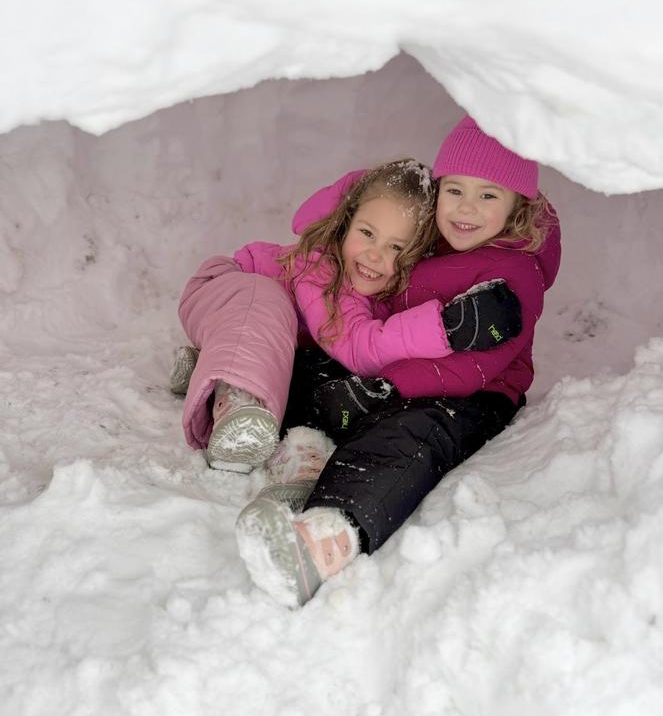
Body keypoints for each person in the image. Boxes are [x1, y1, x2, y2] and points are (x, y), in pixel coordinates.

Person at [235, 115, 562, 608]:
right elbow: (338, 222)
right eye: (454, 190)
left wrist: (387, 388)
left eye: (489, 195)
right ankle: (306, 452)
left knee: (407, 440)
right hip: (393, 366)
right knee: (309, 370)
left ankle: (326, 537)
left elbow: (474, 366)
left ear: (519, 205)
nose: (466, 208)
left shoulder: (514, 274)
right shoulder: (435, 235)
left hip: (468, 395)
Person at [173, 158, 522, 473]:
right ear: (345, 224)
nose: (374, 255)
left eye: (396, 248)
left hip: (256, 332)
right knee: (267, 303)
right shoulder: (321, 268)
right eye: (367, 234)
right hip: (228, 289)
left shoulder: (383, 291)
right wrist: (443, 329)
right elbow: (359, 347)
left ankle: (208, 366)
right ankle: (238, 407)